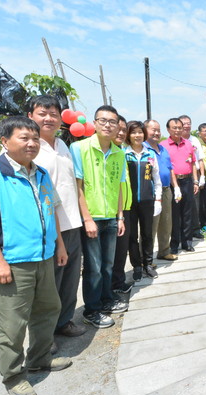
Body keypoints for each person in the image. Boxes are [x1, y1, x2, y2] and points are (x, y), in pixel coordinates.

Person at [0, 95, 86, 344]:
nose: (49, 118)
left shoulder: (63, 146)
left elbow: (74, 185)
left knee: (68, 281)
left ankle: (63, 322)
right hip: (41, 231)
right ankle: (43, 338)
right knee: (45, 287)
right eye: (42, 113)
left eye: (54, 113)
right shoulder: (21, 145)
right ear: (30, 116)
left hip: (70, 223)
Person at [0, 116, 72, 395]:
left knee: (48, 309)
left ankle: (40, 358)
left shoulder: (40, 173)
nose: (31, 144)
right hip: (13, 262)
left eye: (34, 138)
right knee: (12, 323)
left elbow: (51, 212)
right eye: (23, 138)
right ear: (5, 142)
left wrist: (60, 246)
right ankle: (13, 376)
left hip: (44, 256)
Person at [70, 105, 128, 329]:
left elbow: (119, 187)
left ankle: (106, 300)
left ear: (117, 127)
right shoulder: (79, 148)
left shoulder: (118, 153)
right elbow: (79, 186)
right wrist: (87, 219)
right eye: (102, 120)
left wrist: (120, 216)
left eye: (112, 122)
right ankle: (91, 310)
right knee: (93, 267)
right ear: (94, 123)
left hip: (111, 218)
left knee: (107, 265)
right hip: (92, 218)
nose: (107, 125)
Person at [124, 120, 162, 279]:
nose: (137, 135)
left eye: (140, 132)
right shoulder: (123, 154)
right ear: (128, 135)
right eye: (133, 132)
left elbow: (156, 178)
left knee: (147, 233)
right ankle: (137, 266)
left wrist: (158, 199)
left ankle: (148, 264)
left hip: (147, 200)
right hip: (129, 202)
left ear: (144, 134)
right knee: (132, 235)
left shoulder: (150, 154)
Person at [160, 118, 199, 254]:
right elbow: (166, 167)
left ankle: (187, 242)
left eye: (179, 127)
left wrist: (195, 181)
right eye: (174, 128)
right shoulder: (163, 145)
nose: (177, 130)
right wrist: (175, 186)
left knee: (187, 212)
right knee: (174, 214)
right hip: (173, 183)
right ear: (168, 129)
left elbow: (193, 163)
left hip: (187, 181)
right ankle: (174, 244)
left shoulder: (188, 144)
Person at [144, 119, 179, 261]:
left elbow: (170, 170)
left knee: (166, 222)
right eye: (153, 130)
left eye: (158, 130)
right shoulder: (143, 149)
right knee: (151, 225)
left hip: (166, 190)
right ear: (145, 130)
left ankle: (164, 251)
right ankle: (146, 257)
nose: (157, 133)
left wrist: (175, 186)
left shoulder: (163, 149)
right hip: (152, 193)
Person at [111, 116, 135, 291]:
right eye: (117, 128)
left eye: (123, 129)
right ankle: (112, 286)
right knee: (111, 253)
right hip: (110, 210)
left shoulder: (121, 152)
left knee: (121, 250)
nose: (120, 132)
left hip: (124, 208)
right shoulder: (109, 152)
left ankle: (118, 283)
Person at [179, 114, 205, 239]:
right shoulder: (176, 140)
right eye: (184, 123)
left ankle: (196, 228)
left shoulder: (195, 140)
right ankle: (181, 229)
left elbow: (200, 159)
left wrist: (202, 176)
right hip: (180, 177)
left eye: (189, 123)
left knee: (195, 203)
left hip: (194, 175)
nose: (187, 125)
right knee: (181, 203)